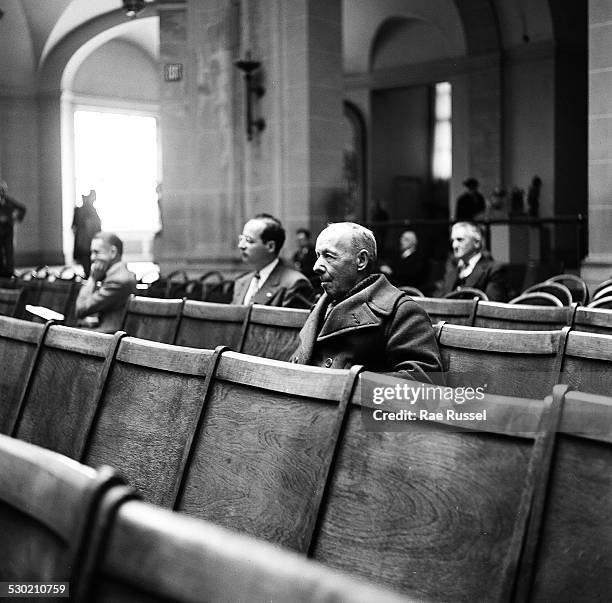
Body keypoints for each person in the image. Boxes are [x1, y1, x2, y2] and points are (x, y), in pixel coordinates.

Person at [291, 222, 443, 382]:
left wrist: (347, 387)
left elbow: (423, 383)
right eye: (318, 256)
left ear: (361, 260)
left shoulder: (402, 311)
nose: (316, 266)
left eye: (329, 256)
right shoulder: (321, 307)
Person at [232, 213, 314, 308]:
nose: (241, 246)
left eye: (248, 240)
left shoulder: (294, 284)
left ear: (270, 246)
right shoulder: (242, 282)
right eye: (241, 239)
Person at [75, 232, 137, 333]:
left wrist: (92, 278)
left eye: (96, 252)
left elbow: (81, 309)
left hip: (109, 339)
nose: (92, 257)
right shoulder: (118, 276)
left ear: (113, 252)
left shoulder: (117, 281)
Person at [435, 222, 507, 302]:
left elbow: (492, 308)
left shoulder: (494, 270)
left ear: (476, 243)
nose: (454, 245)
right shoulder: (452, 272)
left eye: (460, 240)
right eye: (453, 241)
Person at [72, 189, 101, 278]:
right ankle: (88, 273)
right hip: (85, 240)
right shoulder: (81, 211)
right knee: (85, 257)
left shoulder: (92, 210)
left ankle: (90, 273)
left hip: (90, 239)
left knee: (90, 258)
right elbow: (75, 226)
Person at [0, 180, 26, 277]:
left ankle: (9, 271)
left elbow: (22, 209)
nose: (2, 192)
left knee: (9, 251)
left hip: (8, 231)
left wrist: (16, 218)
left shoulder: (9, 202)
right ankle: (2, 271)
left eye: (3, 190)